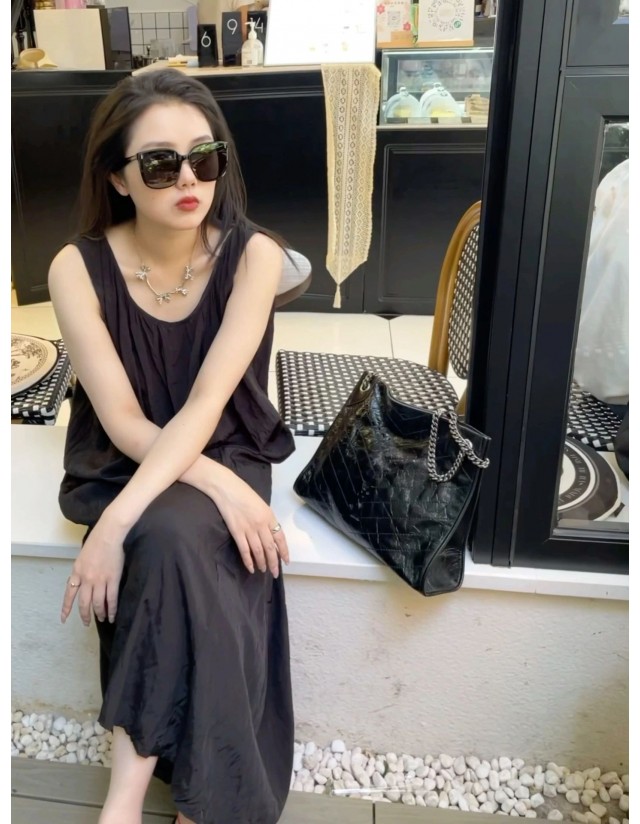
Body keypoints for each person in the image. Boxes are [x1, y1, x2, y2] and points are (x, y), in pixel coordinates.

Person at [48, 68, 307, 824]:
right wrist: (204, 497)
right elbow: (125, 421)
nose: (189, 179)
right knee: (167, 537)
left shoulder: (254, 256)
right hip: (125, 456)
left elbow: (207, 404)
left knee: (166, 541)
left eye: (205, 156)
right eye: (161, 164)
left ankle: (124, 802)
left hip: (222, 441)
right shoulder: (76, 267)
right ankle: (203, 795)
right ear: (118, 178)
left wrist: (139, 518)